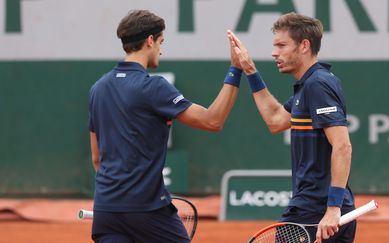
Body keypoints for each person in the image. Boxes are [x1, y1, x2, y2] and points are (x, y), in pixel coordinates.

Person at [88, 10, 242, 243]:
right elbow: (213, 120)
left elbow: (97, 158)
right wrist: (236, 69)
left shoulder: (97, 88)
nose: (161, 49)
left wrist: (118, 198)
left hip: (106, 210)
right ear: (150, 41)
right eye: (161, 42)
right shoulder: (154, 87)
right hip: (148, 211)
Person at [228, 12, 356, 243]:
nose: (274, 52)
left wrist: (333, 208)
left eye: (281, 45)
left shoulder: (318, 84)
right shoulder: (309, 85)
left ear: (304, 46)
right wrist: (249, 69)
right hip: (314, 206)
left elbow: (343, 145)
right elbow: (276, 120)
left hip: (316, 210)